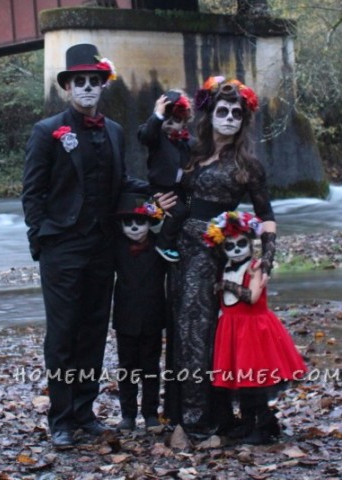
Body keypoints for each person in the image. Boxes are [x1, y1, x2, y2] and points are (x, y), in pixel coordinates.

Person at [21, 43, 149, 450]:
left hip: (102, 248)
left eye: (95, 81)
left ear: (103, 86)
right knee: (62, 334)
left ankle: (83, 411)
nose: (89, 88)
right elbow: (33, 192)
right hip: (61, 247)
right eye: (81, 82)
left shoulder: (113, 131)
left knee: (93, 331)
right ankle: (59, 418)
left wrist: (161, 193)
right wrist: (39, 241)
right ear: (68, 87)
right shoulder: (47, 132)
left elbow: (123, 181)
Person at [164, 75, 277, 439]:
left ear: (244, 121)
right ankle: (187, 413)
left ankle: (201, 422)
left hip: (220, 255)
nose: (229, 118)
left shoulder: (248, 165)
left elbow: (266, 216)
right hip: (180, 252)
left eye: (237, 113)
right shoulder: (193, 153)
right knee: (183, 330)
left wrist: (266, 260)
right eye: (222, 110)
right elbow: (168, 183)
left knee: (204, 332)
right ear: (209, 113)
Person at [204, 211, 307, 444]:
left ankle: (265, 424)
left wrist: (225, 285)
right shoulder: (225, 266)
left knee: (254, 378)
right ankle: (248, 422)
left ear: (250, 244)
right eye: (231, 246)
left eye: (242, 244)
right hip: (231, 328)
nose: (237, 249)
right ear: (223, 249)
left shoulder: (255, 266)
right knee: (239, 378)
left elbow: (252, 296)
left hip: (253, 329)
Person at [112, 193, 167, 433]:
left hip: (153, 315)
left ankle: (151, 413)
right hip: (125, 316)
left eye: (140, 222)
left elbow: (176, 222)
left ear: (150, 223)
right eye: (128, 223)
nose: (134, 227)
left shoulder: (160, 244)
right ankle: (128, 414)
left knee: (151, 366)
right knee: (127, 367)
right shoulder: (115, 247)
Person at [137, 89, 193, 262]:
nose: (170, 123)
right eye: (166, 118)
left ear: (184, 124)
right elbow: (146, 135)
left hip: (178, 188)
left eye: (176, 120)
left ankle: (171, 241)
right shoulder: (156, 137)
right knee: (179, 212)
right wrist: (157, 115)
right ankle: (164, 244)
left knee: (184, 212)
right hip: (160, 188)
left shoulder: (187, 143)